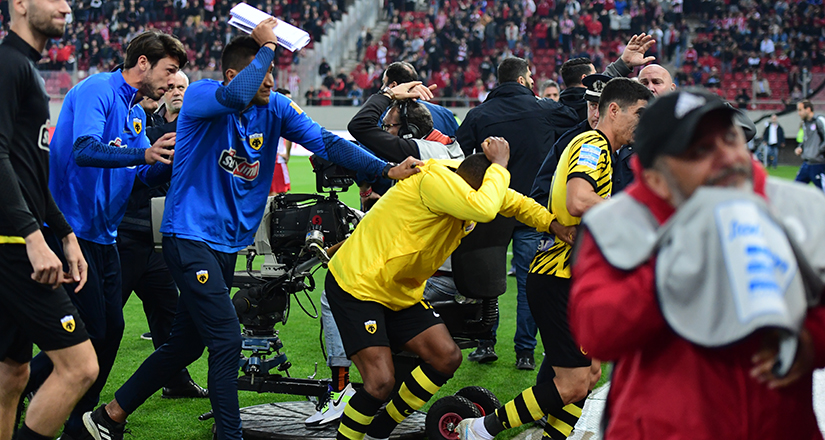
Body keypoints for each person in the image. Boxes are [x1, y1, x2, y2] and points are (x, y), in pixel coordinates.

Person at [82, 25, 421, 440]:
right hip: (187, 236)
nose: (270, 82)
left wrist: (385, 168)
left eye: (273, 74)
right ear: (234, 75)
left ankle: (107, 417)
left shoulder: (275, 107)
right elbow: (234, 96)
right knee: (227, 341)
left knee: (186, 345)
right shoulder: (204, 96)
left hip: (225, 246)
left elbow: (326, 143)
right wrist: (267, 47)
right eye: (264, 74)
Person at [568, 88, 825, 439]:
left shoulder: (802, 208)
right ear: (656, 178)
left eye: (730, 138)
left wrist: (808, 341)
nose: (727, 157)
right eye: (700, 151)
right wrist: (679, 258)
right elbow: (597, 332)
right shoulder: (618, 222)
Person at [459, 78, 653, 440]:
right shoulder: (594, 144)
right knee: (573, 383)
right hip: (559, 278)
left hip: (577, 279)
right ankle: (479, 429)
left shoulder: (602, 149)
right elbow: (578, 199)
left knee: (590, 375)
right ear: (614, 110)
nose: (643, 122)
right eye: (639, 113)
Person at [329, 138, 561, 440]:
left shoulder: (472, 181)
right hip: (360, 285)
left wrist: (555, 225)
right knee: (380, 382)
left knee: (446, 356)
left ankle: (380, 430)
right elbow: (484, 208)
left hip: (401, 290)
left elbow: (517, 203)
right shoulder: (434, 181)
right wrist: (501, 165)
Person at [25, 30, 186, 440]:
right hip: (69, 232)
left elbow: (139, 176)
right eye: (169, 71)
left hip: (104, 236)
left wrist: (172, 160)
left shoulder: (134, 112)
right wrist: (143, 152)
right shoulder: (98, 89)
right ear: (143, 63)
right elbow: (84, 150)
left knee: (110, 330)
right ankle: (27, 387)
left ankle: (79, 420)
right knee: (92, 330)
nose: (172, 82)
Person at [305, 80, 464, 430]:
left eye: (390, 128)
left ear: (407, 133)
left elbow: (359, 127)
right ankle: (380, 427)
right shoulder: (450, 150)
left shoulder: (422, 158)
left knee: (335, 301)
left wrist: (387, 95)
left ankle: (341, 389)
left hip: (415, 278)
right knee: (443, 356)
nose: (385, 134)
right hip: (419, 276)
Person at [0, 0, 99, 439]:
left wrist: (64, 233)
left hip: (20, 238)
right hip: (12, 245)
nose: (65, 6)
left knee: (12, 373)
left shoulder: (27, 69)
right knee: (80, 367)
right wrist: (32, 237)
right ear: (20, 5)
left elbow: (30, 174)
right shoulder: (8, 65)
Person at [457, 56, 579, 370]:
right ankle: (525, 351)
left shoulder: (479, 114)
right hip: (532, 210)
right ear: (523, 80)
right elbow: (579, 118)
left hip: (492, 208)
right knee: (527, 283)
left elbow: (457, 155)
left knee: (488, 279)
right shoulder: (545, 109)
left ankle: (485, 343)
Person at [117, 70, 207, 400]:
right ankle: (43, 378)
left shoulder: (191, 127)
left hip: (157, 236)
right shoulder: (141, 124)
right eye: (172, 87)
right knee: (102, 321)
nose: (177, 91)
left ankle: (175, 380)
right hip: (127, 232)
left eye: (183, 87)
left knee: (168, 311)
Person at [380, 61, 459, 136]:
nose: (382, 88)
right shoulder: (445, 114)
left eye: (384, 83)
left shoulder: (383, 116)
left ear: (393, 86)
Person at [793, 100, 825, 190]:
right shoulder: (805, 124)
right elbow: (806, 140)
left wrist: (818, 151)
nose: (798, 113)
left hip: (818, 164)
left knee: (822, 192)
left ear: (808, 109)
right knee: (794, 189)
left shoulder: (819, 120)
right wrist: (800, 147)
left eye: (800, 110)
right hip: (806, 163)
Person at [269, 88, 293, 195]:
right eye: (288, 99)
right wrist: (287, 154)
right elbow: (289, 137)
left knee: (268, 193)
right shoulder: (283, 117)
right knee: (279, 193)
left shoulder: (267, 114)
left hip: (263, 161)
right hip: (277, 160)